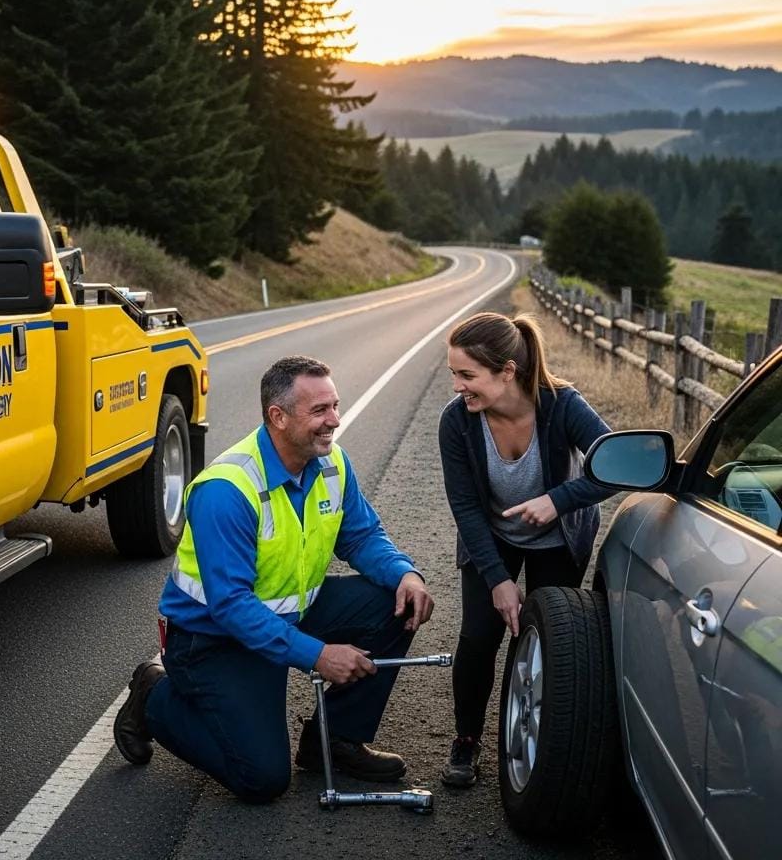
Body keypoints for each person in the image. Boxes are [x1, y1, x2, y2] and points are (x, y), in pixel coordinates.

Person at [114, 355, 434, 802]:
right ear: (277, 417)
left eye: (335, 406)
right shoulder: (227, 490)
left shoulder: (332, 463)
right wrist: (317, 655)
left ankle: (335, 741)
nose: (334, 421)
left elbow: (361, 536)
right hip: (213, 639)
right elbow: (230, 607)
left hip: (289, 613)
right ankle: (153, 695)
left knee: (395, 605)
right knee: (261, 779)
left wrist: (405, 574)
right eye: (319, 411)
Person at [437, 312, 612, 787]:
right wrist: (497, 580)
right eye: (454, 373)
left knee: (544, 639)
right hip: (491, 535)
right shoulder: (456, 423)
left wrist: (558, 501)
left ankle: (543, 745)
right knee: (478, 637)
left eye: (467, 375)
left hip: (558, 537)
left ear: (507, 372)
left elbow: (615, 464)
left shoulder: (562, 405)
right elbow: (466, 507)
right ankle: (467, 740)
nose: (457, 386)